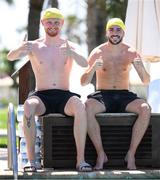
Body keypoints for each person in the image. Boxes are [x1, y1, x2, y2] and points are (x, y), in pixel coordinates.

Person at [7, 7, 92, 172]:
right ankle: (32, 162)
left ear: (62, 24)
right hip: (42, 97)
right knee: (29, 105)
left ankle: (80, 160)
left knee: (80, 107)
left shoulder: (69, 45)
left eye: (56, 22)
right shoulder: (33, 46)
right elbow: (11, 56)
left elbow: (85, 63)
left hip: (64, 96)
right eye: (49, 22)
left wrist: (72, 54)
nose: (53, 25)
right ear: (43, 23)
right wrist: (20, 48)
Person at [81, 18, 151, 170]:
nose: (114, 33)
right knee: (86, 108)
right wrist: (92, 68)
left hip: (124, 95)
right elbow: (83, 82)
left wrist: (141, 68)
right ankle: (101, 153)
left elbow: (146, 80)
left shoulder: (131, 52)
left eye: (118, 30)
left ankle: (131, 154)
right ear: (107, 32)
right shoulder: (97, 52)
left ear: (123, 32)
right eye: (111, 30)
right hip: (102, 95)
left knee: (145, 108)